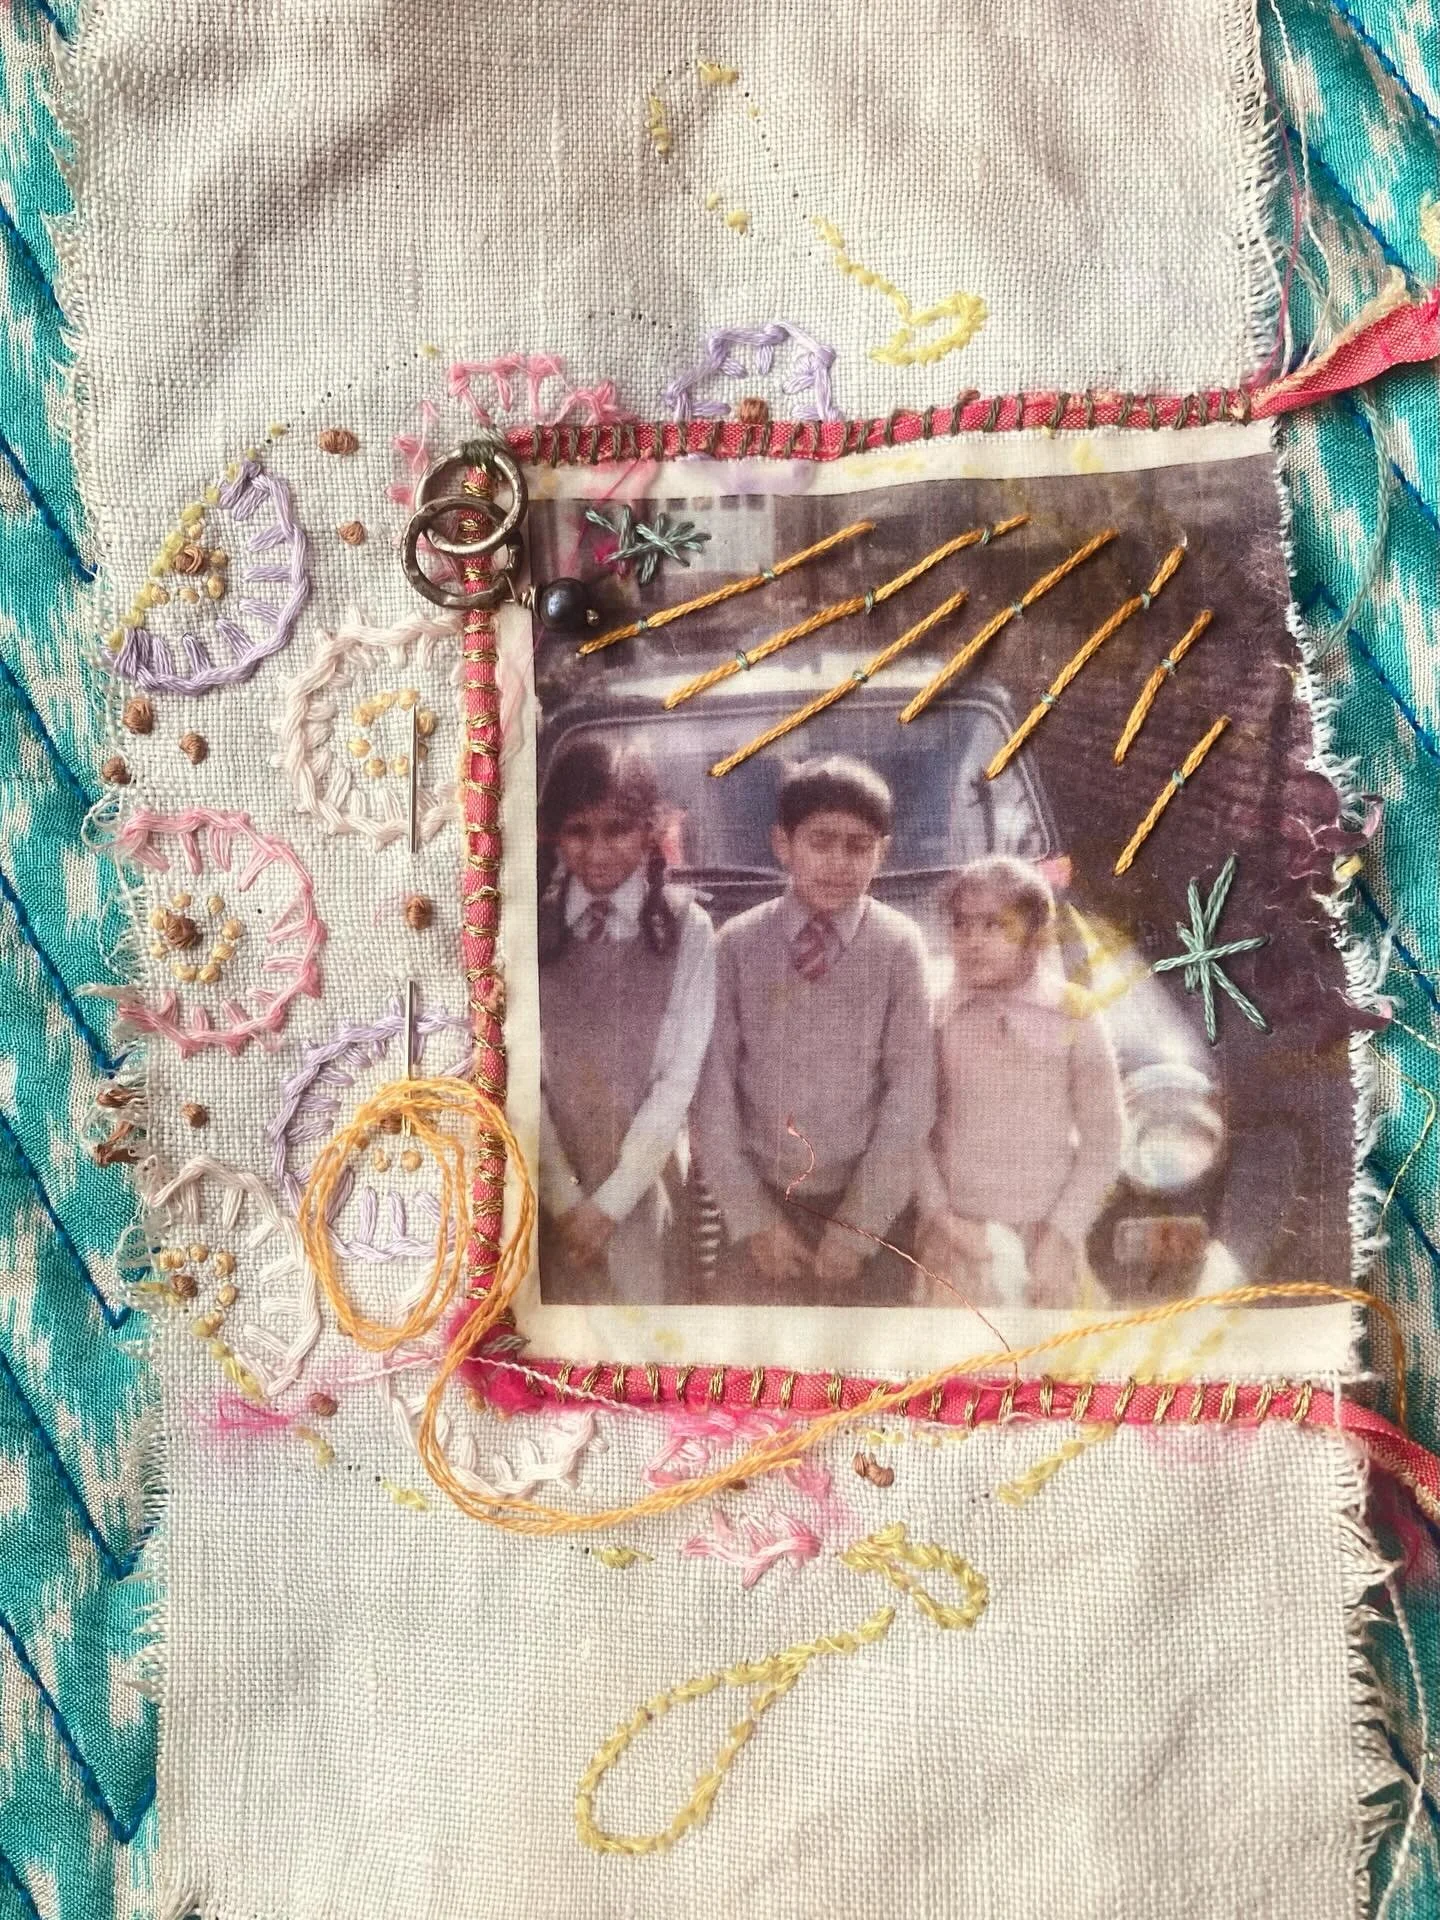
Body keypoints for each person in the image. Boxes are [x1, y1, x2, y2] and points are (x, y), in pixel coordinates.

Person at [692, 755, 934, 1305]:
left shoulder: (899, 947)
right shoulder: (737, 944)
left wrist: (860, 1227)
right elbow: (712, 1095)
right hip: (762, 1199)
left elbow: (911, 1096)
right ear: (784, 845)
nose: (838, 863)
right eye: (820, 843)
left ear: (883, 852)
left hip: (869, 1202)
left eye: (858, 846)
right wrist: (752, 1220)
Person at [536, 736, 715, 1303]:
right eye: (577, 832)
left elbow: (676, 1084)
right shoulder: (528, 928)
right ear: (553, 833)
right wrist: (565, 1200)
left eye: (617, 830)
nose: (597, 852)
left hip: (643, 1185)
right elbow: (521, 1079)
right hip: (545, 1186)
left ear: (650, 831)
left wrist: (608, 1206)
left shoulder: (688, 931)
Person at [917, 854, 1124, 1309]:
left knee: (1048, 1371)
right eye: (961, 925)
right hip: (959, 1238)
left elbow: (1104, 1142)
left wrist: (1062, 1236)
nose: (972, 941)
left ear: (1038, 935)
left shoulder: (1076, 1012)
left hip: (1047, 1237)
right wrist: (943, 1220)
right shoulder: (936, 1015)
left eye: (994, 926)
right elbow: (913, 1134)